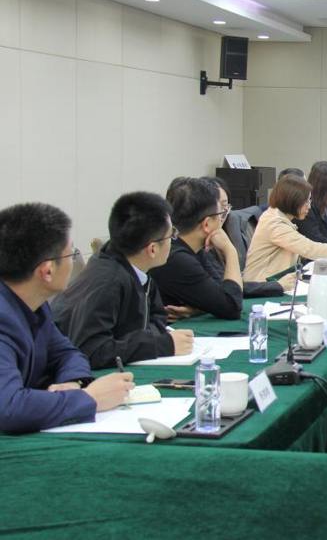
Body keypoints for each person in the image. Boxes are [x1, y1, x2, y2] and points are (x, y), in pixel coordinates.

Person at [0, 203, 135, 433]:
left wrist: (72, 382)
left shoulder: (33, 302)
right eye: (71, 254)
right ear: (47, 271)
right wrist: (90, 398)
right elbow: (10, 409)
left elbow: (66, 353)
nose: (73, 262)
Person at [52, 192, 194, 369]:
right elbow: (91, 351)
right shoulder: (108, 282)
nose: (173, 241)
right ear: (152, 249)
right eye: (171, 235)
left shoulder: (136, 268)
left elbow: (157, 316)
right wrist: (161, 345)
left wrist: (143, 339)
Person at [243, 175, 327, 283]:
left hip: (280, 280)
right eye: (306, 201)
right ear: (292, 200)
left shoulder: (280, 217)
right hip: (262, 284)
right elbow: (309, 248)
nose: (309, 206)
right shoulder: (274, 223)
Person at [149, 177, 245, 320]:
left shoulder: (193, 248)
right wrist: (230, 250)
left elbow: (220, 291)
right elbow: (233, 306)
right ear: (206, 224)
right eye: (220, 214)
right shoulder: (176, 258)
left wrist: (198, 309)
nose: (222, 219)